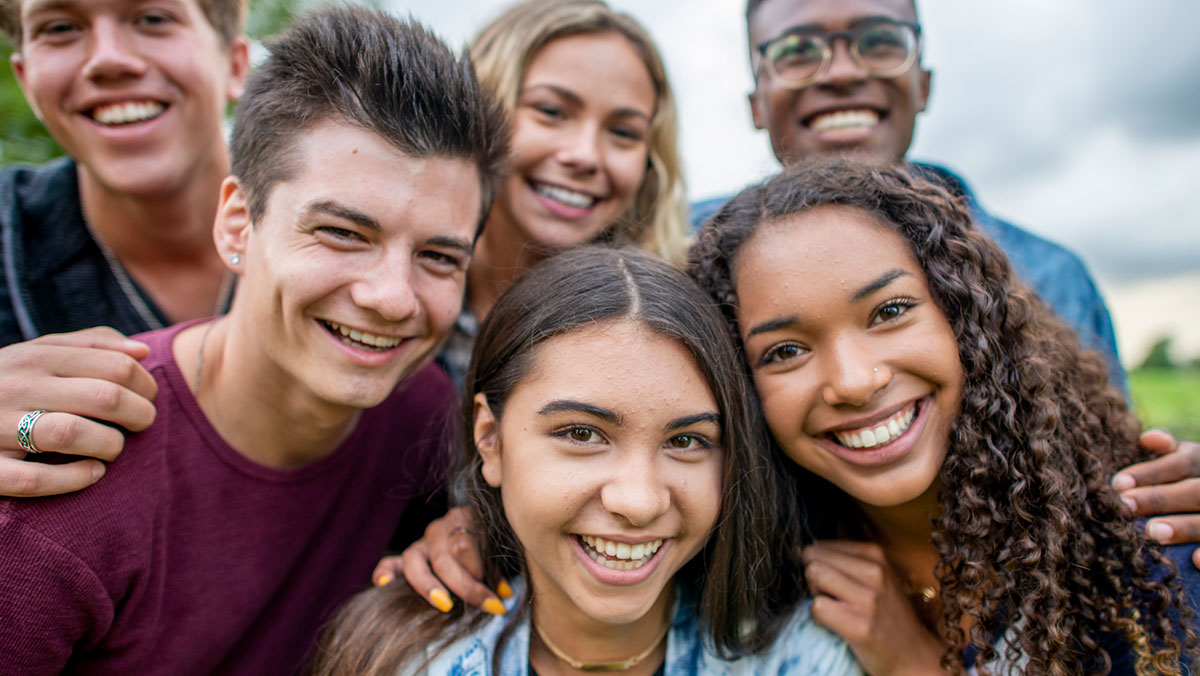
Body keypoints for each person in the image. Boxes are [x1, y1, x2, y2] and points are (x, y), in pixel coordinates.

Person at [0, 7, 507, 674]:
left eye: (440, 257)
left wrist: (463, 540)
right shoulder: (66, 489)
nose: (391, 297)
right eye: (342, 233)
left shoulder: (420, 416)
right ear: (238, 224)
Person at [689, 159, 1199, 674]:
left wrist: (913, 662)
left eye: (889, 312)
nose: (853, 382)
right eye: (785, 351)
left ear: (966, 314)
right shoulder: (749, 572)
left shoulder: (1146, 556)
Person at [309, 246, 862, 676]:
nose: (640, 502)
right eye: (581, 433)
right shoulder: (397, 657)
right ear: (490, 440)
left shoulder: (805, 659)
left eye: (687, 441)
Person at [689, 0, 1124, 391]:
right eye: (796, 51)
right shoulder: (677, 257)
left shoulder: (1052, 278)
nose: (843, 72)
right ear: (756, 104)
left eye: (880, 41)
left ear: (924, 84)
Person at [0, 0, 250, 495]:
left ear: (235, 64)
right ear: (27, 82)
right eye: (61, 27)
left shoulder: (359, 231)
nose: (108, 59)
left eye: (153, 18)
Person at [436, 0, 690, 387]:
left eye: (623, 132)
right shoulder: (399, 291)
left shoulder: (675, 328)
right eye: (551, 111)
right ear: (479, 109)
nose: (585, 155)